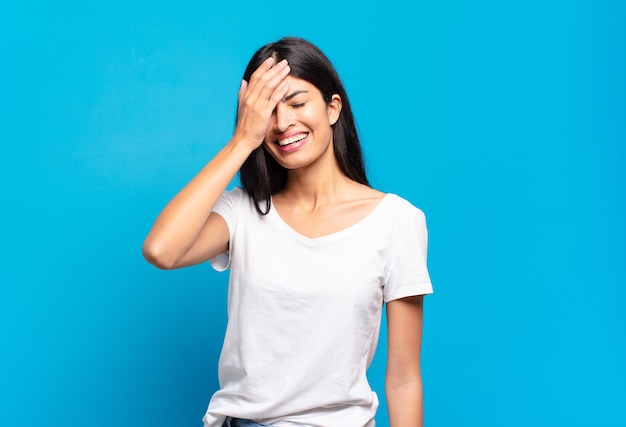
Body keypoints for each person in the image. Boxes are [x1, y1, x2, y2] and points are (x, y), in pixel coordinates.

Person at [143, 37, 433, 427]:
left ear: (332, 108)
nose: (282, 124)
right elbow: (161, 250)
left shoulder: (396, 221)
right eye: (267, 110)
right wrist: (242, 140)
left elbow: (403, 379)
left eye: (297, 103)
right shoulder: (243, 211)